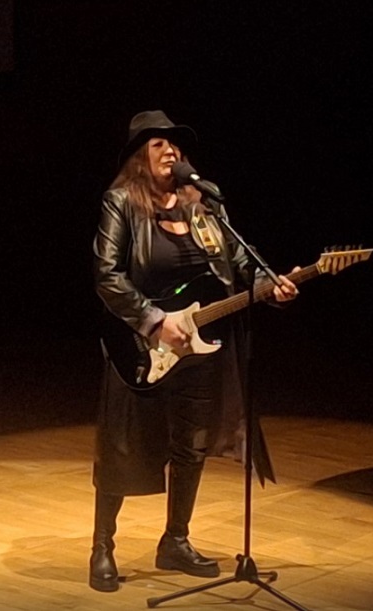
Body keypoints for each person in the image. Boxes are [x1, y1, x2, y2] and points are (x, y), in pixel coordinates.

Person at [90, 110, 298, 592]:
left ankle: (175, 541)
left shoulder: (203, 205)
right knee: (123, 446)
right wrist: (154, 321)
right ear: (139, 158)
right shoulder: (121, 202)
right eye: (158, 144)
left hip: (200, 345)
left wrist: (271, 284)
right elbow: (107, 275)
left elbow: (239, 261)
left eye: (175, 144)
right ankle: (102, 546)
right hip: (140, 345)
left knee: (192, 443)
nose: (171, 150)